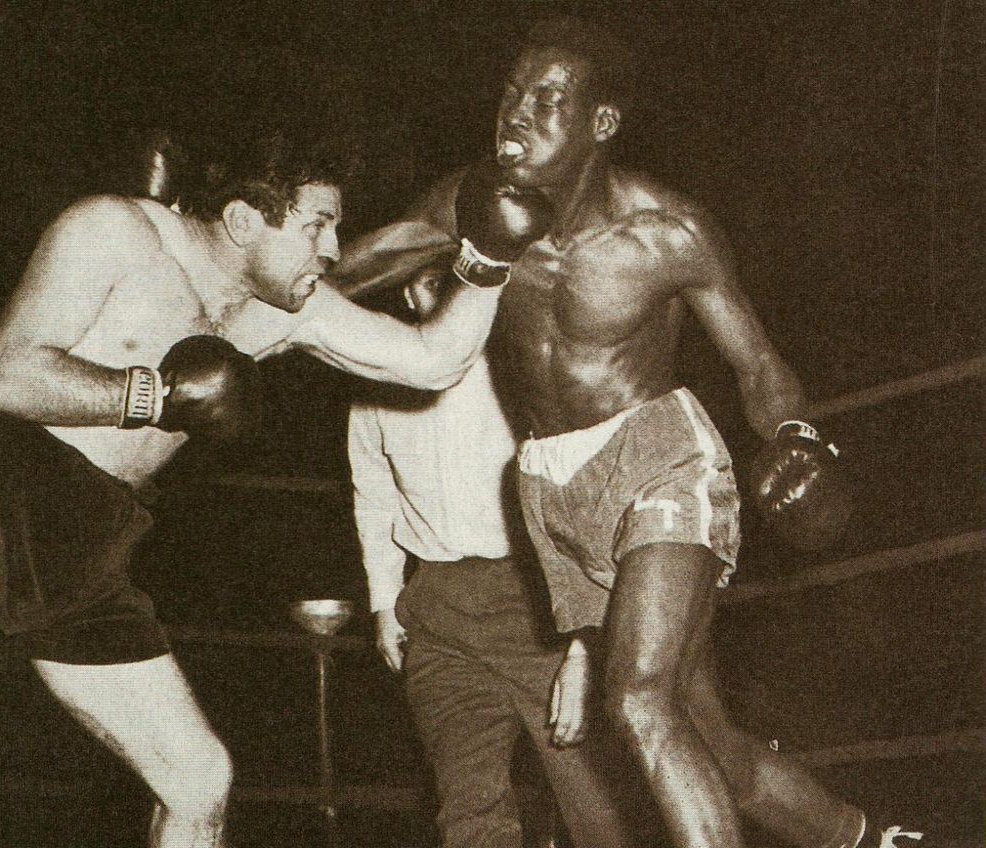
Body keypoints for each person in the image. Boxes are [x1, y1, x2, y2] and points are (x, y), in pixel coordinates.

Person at [0, 125, 520, 848]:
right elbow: (6, 377)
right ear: (240, 221)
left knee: (199, 780)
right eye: (317, 225)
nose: (332, 250)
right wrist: (153, 396)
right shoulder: (113, 232)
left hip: (93, 535)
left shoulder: (287, 311)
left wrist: (489, 259)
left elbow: (430, 362)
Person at [333, 16, 922, 848]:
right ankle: (873, 840)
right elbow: (339, 276)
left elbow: (757, 363)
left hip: (658, 456)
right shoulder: (471, 204)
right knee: (706, 742)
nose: (516, 115)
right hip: (550, 489)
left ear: (599, 124)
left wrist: (792, 431)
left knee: (639, 700)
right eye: (510, 94)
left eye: (547, 100)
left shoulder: (666, 230)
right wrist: (238, 288)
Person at [349, 265, 643, 848]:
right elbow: (372, 491)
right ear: (409, 289)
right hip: (436, 606)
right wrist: (384, 602)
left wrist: (582, 645)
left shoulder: (523, 371)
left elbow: (582, 500)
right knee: (469, 807)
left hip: (537, 601)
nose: (442, 294)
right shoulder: (377, 378)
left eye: (459, 280)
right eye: (428, 281)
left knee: (593, 799)